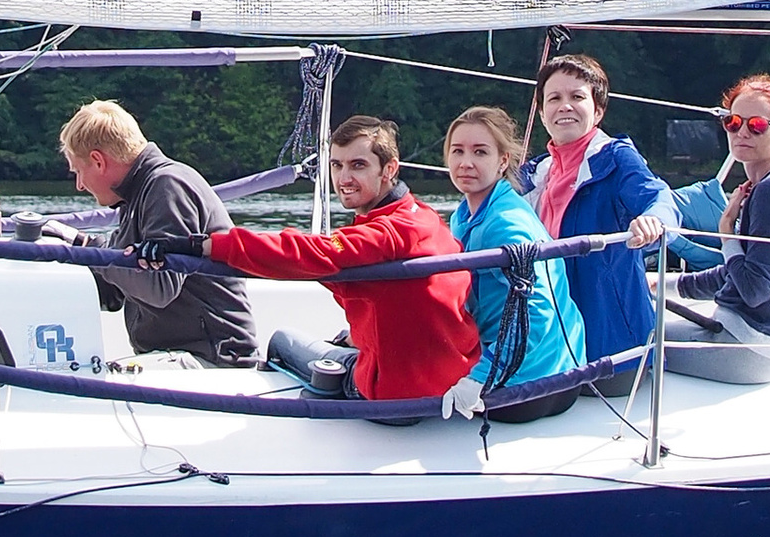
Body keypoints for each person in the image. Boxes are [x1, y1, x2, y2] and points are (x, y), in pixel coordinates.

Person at [205, 114, 481, 408]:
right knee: (342, 338)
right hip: (449, 379)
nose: (343, 179)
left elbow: (311, 252)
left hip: (393, 398)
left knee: (281, 341)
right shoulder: (425, 218)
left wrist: (214, 245)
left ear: (389, 169)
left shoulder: (386, 234)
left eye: (358, 165)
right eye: (336, 165)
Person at [56, 100, 260, 366]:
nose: (80, 185)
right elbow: (116, 291)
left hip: (213, 361)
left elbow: (159, 288)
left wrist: (92, 249)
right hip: (181, 355)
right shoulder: (137, 195)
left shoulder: (167, 187)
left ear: (98, 161)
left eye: (78, 172)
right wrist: (57, 269)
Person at [528, 51, 678, 367]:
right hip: (554, 345)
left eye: (576, 97)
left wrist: (653, 220)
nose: (564, 105)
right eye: (553, 98)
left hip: (613, 351)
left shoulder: (616, 158)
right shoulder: (538, 174)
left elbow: (660, 198)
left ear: (597, 111)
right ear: (542, 113)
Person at [441, 103, 584, 400]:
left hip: (536, 384)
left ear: (502, 161)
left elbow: (538, 313)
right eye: (458, 151)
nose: (466, 162)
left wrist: (480, 378)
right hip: (530, 368)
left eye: (480, 152)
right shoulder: (464, 215)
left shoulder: (506, 224)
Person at [667, 73, 770, 345]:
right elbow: (738, 272)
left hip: (746, 342)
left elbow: (754, 290)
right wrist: (664, 286)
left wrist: (727, 233)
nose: (742, 133)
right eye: (733, 122)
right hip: (766, 339)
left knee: (627, 338)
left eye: (758, 125)